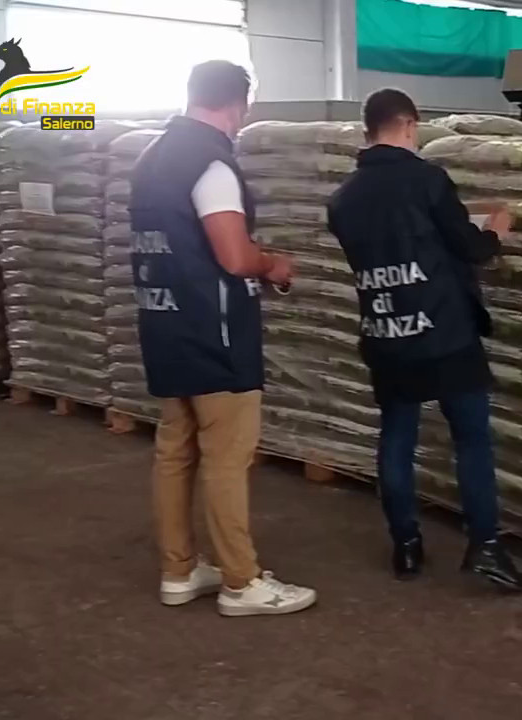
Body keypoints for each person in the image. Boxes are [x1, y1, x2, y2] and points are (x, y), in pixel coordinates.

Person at [326, 88, 522, 593]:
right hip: (445, 332)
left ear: (368, 130)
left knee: (397, 436)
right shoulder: (427, 180)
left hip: (387, 333)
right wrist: (496, 231)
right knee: (471, 438)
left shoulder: (343, 199)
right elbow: (470, 248)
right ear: (409, 125)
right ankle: (486, 547)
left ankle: (406, 545)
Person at [129, 60, 316, 616]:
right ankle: (241, 581)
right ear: (239, 104)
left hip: (164, 326)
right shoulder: (211, 164)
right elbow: (234, 257)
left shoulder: (150, 157)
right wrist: (273, 264)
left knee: (174, 452)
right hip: (217, 333)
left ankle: (179, 570)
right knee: (227, 458)